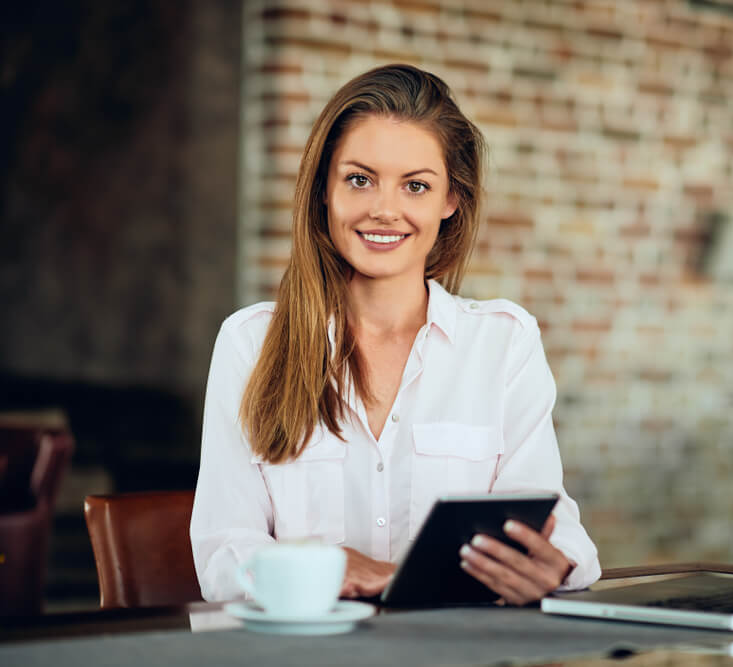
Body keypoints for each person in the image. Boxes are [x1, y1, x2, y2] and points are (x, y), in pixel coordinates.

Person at [190, 64, 600, 606]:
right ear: (324, 192)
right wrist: (327, 563)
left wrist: (555, 562)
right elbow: (222, 554)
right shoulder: (250, 344)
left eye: (416, 185)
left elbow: (555, 523)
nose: (385, 209)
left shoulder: (504, 343)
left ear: (450, 200)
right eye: (360, 179)